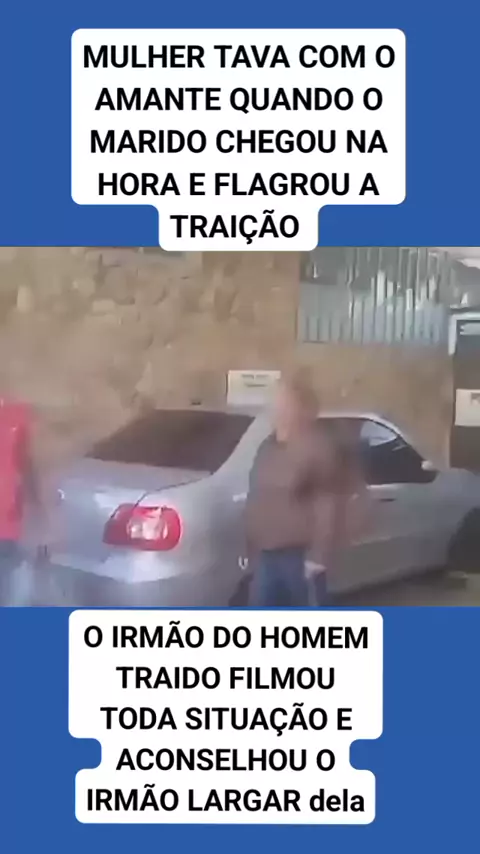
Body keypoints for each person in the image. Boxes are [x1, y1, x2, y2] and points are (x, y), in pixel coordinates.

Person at [245, 373, 349, 607]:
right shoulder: (267, 447)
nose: (275, 407)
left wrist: (318, 556)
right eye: (275, 401)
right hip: (266, 556)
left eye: (283, 401)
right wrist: (251, 546)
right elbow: (257, 496)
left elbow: (327, 503)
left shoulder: (317, 448)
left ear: (298, 408)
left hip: (299, 558)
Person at [0, 398, 44, 606]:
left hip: (10, 526)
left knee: (15, 594)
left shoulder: (17, 414)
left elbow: (28, 463)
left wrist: (39, 512)